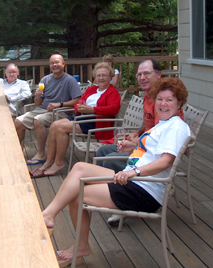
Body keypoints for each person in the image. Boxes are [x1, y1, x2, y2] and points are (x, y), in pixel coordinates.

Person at [42, 77, 190, 267]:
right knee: (79, 168)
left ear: (179, 103)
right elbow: (155, 149)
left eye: (169, 100)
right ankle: (48, 214)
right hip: (133, 181)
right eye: (160, 99)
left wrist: (133, 172)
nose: (163, 104)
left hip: (144, 191)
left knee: (76, 194)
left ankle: (78, 245)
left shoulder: (176, 127)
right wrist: (133, 145)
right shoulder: (164, 123)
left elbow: (165, 161)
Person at [96, 58, 185, 226]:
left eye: (147, 74)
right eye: (139, 74)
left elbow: (159, 140)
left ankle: (123, 201)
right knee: (103, 151)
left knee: (109, 159)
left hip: (149, 155)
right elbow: (150, 125)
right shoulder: (148, 97)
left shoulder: (165, 107)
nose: (142, 78)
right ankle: (114, 195)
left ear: (158, 74)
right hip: (142, 145)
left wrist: (137, 144)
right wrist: (137, 132)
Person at [29, 62, 121, 177]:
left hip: (97, 122)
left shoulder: (112, 92)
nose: (101, 78)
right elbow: (78, 103)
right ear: (95, 77)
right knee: (54, 125)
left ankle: (58, 163)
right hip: (83, 117)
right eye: (98, 75)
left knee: (61, 128)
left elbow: (114, 109)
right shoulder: (92, 89)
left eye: (104, 75)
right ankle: (49, 161)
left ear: (110, 77)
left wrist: (92, 110)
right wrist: (81, 108)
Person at [15, 54, 82, 165]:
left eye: (57, 62)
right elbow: (38, 103)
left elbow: (77, 101)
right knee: (18, 121)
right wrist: (37, 95)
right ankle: (17, 152)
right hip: (43, 110)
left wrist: (59, 104)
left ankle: (41, 154)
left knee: (38, 120)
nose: (54, 65)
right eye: (52, 63)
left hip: (62, 112)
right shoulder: (45, 80)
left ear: (63, 64)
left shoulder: (70, 80)